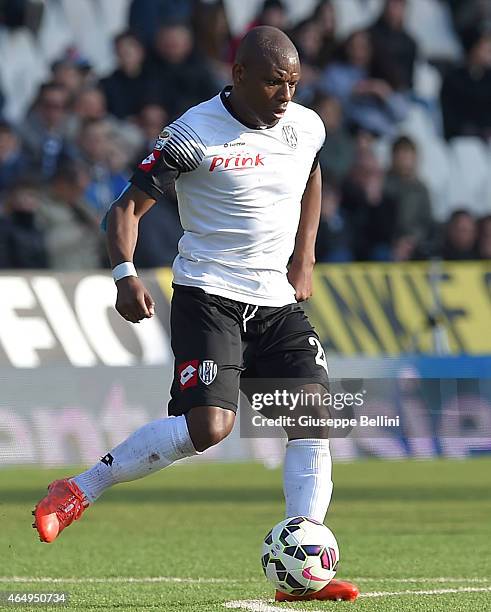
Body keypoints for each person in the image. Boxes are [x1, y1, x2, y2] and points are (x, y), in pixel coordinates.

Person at [32, 26, 359, 603]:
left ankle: (306, 575)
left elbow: (311, 173)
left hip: (276, 303)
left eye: (293, 83)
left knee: (314, 416)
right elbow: (125, 208)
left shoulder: (306, 125)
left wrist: (304, 256)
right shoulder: (192, 134)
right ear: (237, 76)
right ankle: (80, 488)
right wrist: (125, 274)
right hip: (209, 295)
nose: (285, 96)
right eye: (273, 83)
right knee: (209, 429)